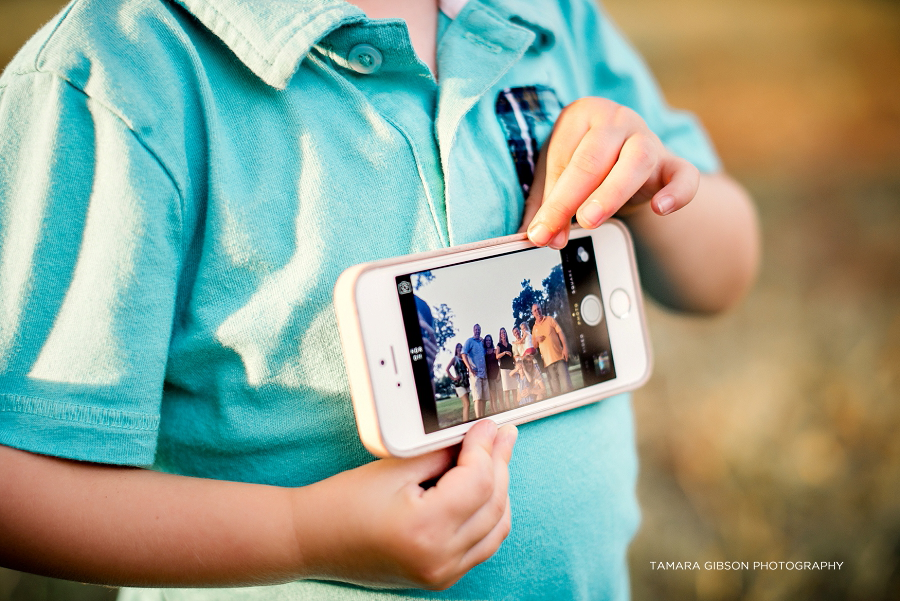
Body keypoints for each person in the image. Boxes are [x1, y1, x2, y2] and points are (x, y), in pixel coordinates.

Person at [0, 0, 759, 598]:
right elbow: (17, 487)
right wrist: (301, 534)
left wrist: (651, 190)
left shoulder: (554, 12)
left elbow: (726, 271)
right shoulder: (118, 74)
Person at [531, 303, 573, 396]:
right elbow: (534, 346)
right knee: (555, 392)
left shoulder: (550, 319)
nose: (537, 311)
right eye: (535, 310)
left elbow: (560, 333)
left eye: (538, 309)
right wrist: (536, 339)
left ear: (541, 309)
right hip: (547, 364)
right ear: (532, 313)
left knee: (567, 387)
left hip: (559, 358)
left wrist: (565, 347)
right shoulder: (534, 329)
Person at [461, 324, 490, 419]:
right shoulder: (469, 341)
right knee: (477, 398)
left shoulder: (481, 343)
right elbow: (463, 354)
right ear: (473, 330)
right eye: (476, 329)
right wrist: (469, 368)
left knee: (484, 398)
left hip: (484, 373)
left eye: (479, 330)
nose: (477, 331)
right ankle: (479, 418)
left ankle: (483, 417)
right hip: (475, 374)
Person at [445, 343, 472, 424]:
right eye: (458, 348)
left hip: (466, 383)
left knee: (466, 405)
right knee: (467, 404)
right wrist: (453, 378)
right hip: (459, 384)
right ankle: (466, 422)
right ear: (456, 349)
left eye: (461, 347)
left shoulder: (464, 358)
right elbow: (447, 369)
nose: (460, 349)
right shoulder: (455, 359)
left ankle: (465, 421)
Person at [496, 327, 517, 411]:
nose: (503, 334)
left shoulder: (510, 345)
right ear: (500, 335)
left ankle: (516, 406)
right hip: (504, 370)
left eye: (504, 332)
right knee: (507, 391)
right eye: (501, 333)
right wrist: (504, 353)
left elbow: (513, 357)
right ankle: (509, 409)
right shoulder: (499, 345)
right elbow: (497, 356)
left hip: (512, 368)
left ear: (506, 334)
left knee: (514, 389)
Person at [482, 334, 501, 414]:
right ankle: (495, 414)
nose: (488, 342)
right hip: (489, 378)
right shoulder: (484, 353)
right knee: (493, 399)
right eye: (486, 340)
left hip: (497, 376)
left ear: (491, 341)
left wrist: (499, 374)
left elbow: (500, 363)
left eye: (489, 340)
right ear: (485, 342)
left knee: (500, 397)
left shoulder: (495, 350)